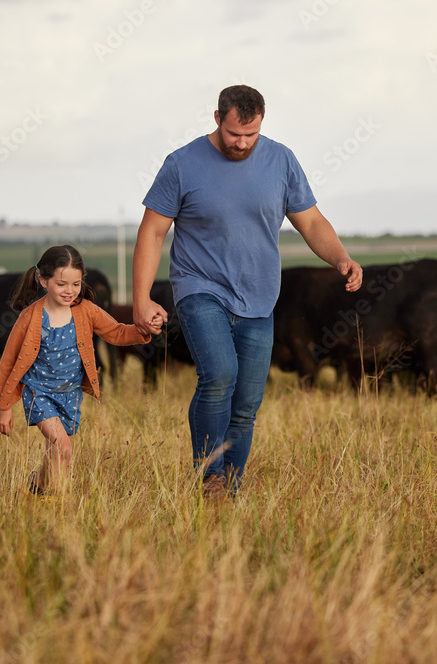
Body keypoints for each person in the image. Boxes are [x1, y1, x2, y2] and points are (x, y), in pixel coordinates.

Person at [133, 84, 363, 499]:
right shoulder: (182, 164)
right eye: (234, 134)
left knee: (246, 403)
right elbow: (152, 231)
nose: (242, 143)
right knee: (219, 374)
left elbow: (310, 222)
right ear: (217, 118)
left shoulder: (282, 161)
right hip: (199, 288)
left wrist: (341, 258)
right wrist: (142, 297)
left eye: (251, 135)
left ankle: (229, 493)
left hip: (259, 297)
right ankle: (210, 477)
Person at [0, 245, 157, 495]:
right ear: (43, 280)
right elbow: (9, 360)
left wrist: (144, 330)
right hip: (39, 393)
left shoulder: (86, 311)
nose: (69, 291)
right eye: (61, 284)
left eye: (76, 284)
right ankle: (60, 506)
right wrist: (5, 407)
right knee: (64, 448)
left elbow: (117, 332)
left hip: (70, 395)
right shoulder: (30, 317)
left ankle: (37, 486)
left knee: (55, 450)